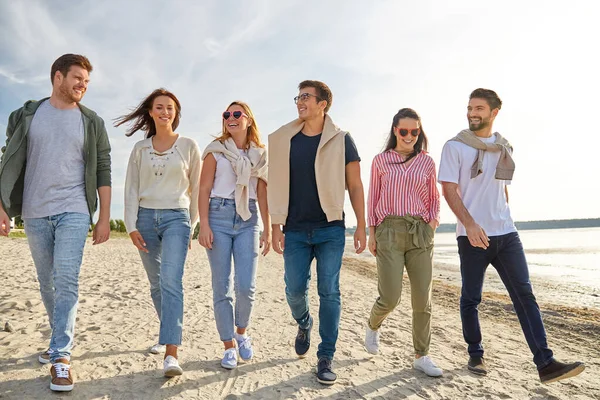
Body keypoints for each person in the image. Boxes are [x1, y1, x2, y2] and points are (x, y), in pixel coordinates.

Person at [438, 88, 585, 383]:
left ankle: (545, 363)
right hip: (472, 236)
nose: (472, 113)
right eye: (469, 107)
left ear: (493, 113)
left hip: (506, 234)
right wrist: (470, 224)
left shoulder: (504, 147)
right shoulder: (455, 147)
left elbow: (501, 187)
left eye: (479, 108)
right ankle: (475, 352)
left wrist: (504, 215)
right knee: (471, 298)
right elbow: (449, 190)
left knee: (525, 295)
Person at [0, 54, 112, 392]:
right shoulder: (26, 115)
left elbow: (103, 167)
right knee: (47, 282)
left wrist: (103, 217)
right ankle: (56, 340)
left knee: (66, 278)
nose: (82, 85)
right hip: (34, 210)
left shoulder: (92, 121)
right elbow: (8, 157)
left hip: (74, 209)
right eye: (77, 78)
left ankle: (61, 357)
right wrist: (3, 205)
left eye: (87, 82)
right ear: (57, 77)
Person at [268, 80, 367, 385]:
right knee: (294, 290)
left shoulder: (342, 139)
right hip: (295, 229)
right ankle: (304, 322)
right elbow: (274, 181)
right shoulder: (285, 139)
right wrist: (275, 225)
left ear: (323, 103)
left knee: (330, 292)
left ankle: (326, 356)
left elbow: (355, 185)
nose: (300, 101)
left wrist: (362, 225)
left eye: (306, 97)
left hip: (330, 228)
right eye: (298, 96)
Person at [116, 88, 201, 377]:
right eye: (160, 107)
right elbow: (130, 188)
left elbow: (197, 188)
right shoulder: (140, 149)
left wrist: (192, 224)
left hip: (177, 218)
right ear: (151, 112)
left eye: (170, 108)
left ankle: (171, 353)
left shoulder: (189, 145)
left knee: (171, 281)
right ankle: (167, 331)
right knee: (155, 284)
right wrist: (130, 226)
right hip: (145, 218)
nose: (165, 112)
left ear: (176, 113)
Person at [364, 108, 443, 377]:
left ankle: (422, 355)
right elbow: (372, 197)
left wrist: (431, 226)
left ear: (419, 132)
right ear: (395, 131)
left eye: (415, 131)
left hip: (420, 231)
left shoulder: (427, 162)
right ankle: (373, 325)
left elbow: (434, 199)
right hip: (388, 231)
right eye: (404, 131)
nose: (409, 136)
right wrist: (372, 232)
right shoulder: (380, 161)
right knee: (390, 297)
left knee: (423, 299)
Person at [198, 101, 270, 369]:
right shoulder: (214, 151)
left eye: (237, 114)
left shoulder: (260, 155)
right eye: (227, 114)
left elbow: (262, 192)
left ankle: (241, 333)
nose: (231, 118)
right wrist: (203, 225)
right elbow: (203, 189)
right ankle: (228, 344)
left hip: (249, 218)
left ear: (248, 119)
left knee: (246, 286)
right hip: (218, 215)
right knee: (222, 286)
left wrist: (267, 227)